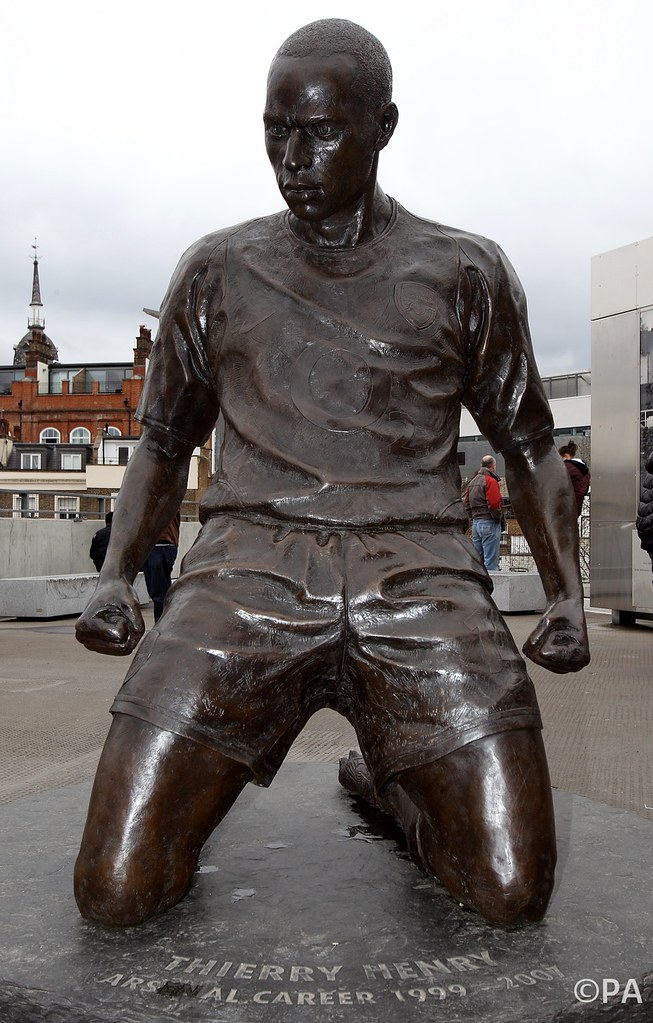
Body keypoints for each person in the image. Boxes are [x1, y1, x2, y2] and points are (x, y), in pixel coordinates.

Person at [74, 18, 589, 930]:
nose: (291, 156)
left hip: (418, 571)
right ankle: (389, 764)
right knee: (117, 889)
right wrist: (115, 574)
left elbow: (529, 445)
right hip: (247, 568)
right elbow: (158, 443)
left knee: (512, 892)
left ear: (383, 127)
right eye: (275, 129)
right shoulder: (217, 269)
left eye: (319, 131)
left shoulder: (463, 268)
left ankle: (397, 783)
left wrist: (563, 596)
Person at [463, 455, 503, 571]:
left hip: (476, 524)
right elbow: (495, 503)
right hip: (489, 522)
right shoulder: (491, 481)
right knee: (491, 563)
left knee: (478, 562)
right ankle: (494, 588)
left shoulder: (472, 482)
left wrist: (473, 517)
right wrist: (497, 517)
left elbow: (466, 503)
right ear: (493, 467)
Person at [142, 511, 180, 621]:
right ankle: (163, 622)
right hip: (151, 546)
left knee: (159, 594)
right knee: (156, 592)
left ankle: (163, 624)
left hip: (162, 545)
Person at [558, 441, 590, 517]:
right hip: (576, 508)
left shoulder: (566, 467)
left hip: (564, 509)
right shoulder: (585, 471)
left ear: (565, 456)